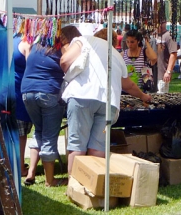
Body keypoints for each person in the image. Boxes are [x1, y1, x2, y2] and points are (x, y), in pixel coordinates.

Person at [59, 26, 152, 175]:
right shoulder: (117, 54)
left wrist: (69, 75)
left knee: (77, 144)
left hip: (82, 95)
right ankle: (93, 184)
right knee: (98, 146)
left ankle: (75, 186)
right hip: (109, 102)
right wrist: (144, 96)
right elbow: (128, 85)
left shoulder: (83, 40)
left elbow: (64, 60)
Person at [20, 40, 66, 187]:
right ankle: (50, 180)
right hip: (48, 92)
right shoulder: (61, 49)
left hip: (27, 92)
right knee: (49, 137)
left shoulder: (36, 46)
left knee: (38, 131)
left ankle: (31, 173)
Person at [12, 36, 39, 184]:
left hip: (13, 87)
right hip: (23, 88)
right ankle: (20, 167)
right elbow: (32, 67)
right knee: (21, 134)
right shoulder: (27, 43)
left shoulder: (13, 38)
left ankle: (18, 164)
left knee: (17, 132)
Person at [156, 22, 178, 93]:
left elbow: (173, 54)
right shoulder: (153, 35)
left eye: (161, 22)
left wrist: (168, 71)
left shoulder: (169, 35)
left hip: (162, 73)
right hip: (151, 74)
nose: (159, 24)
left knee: (161, 97)